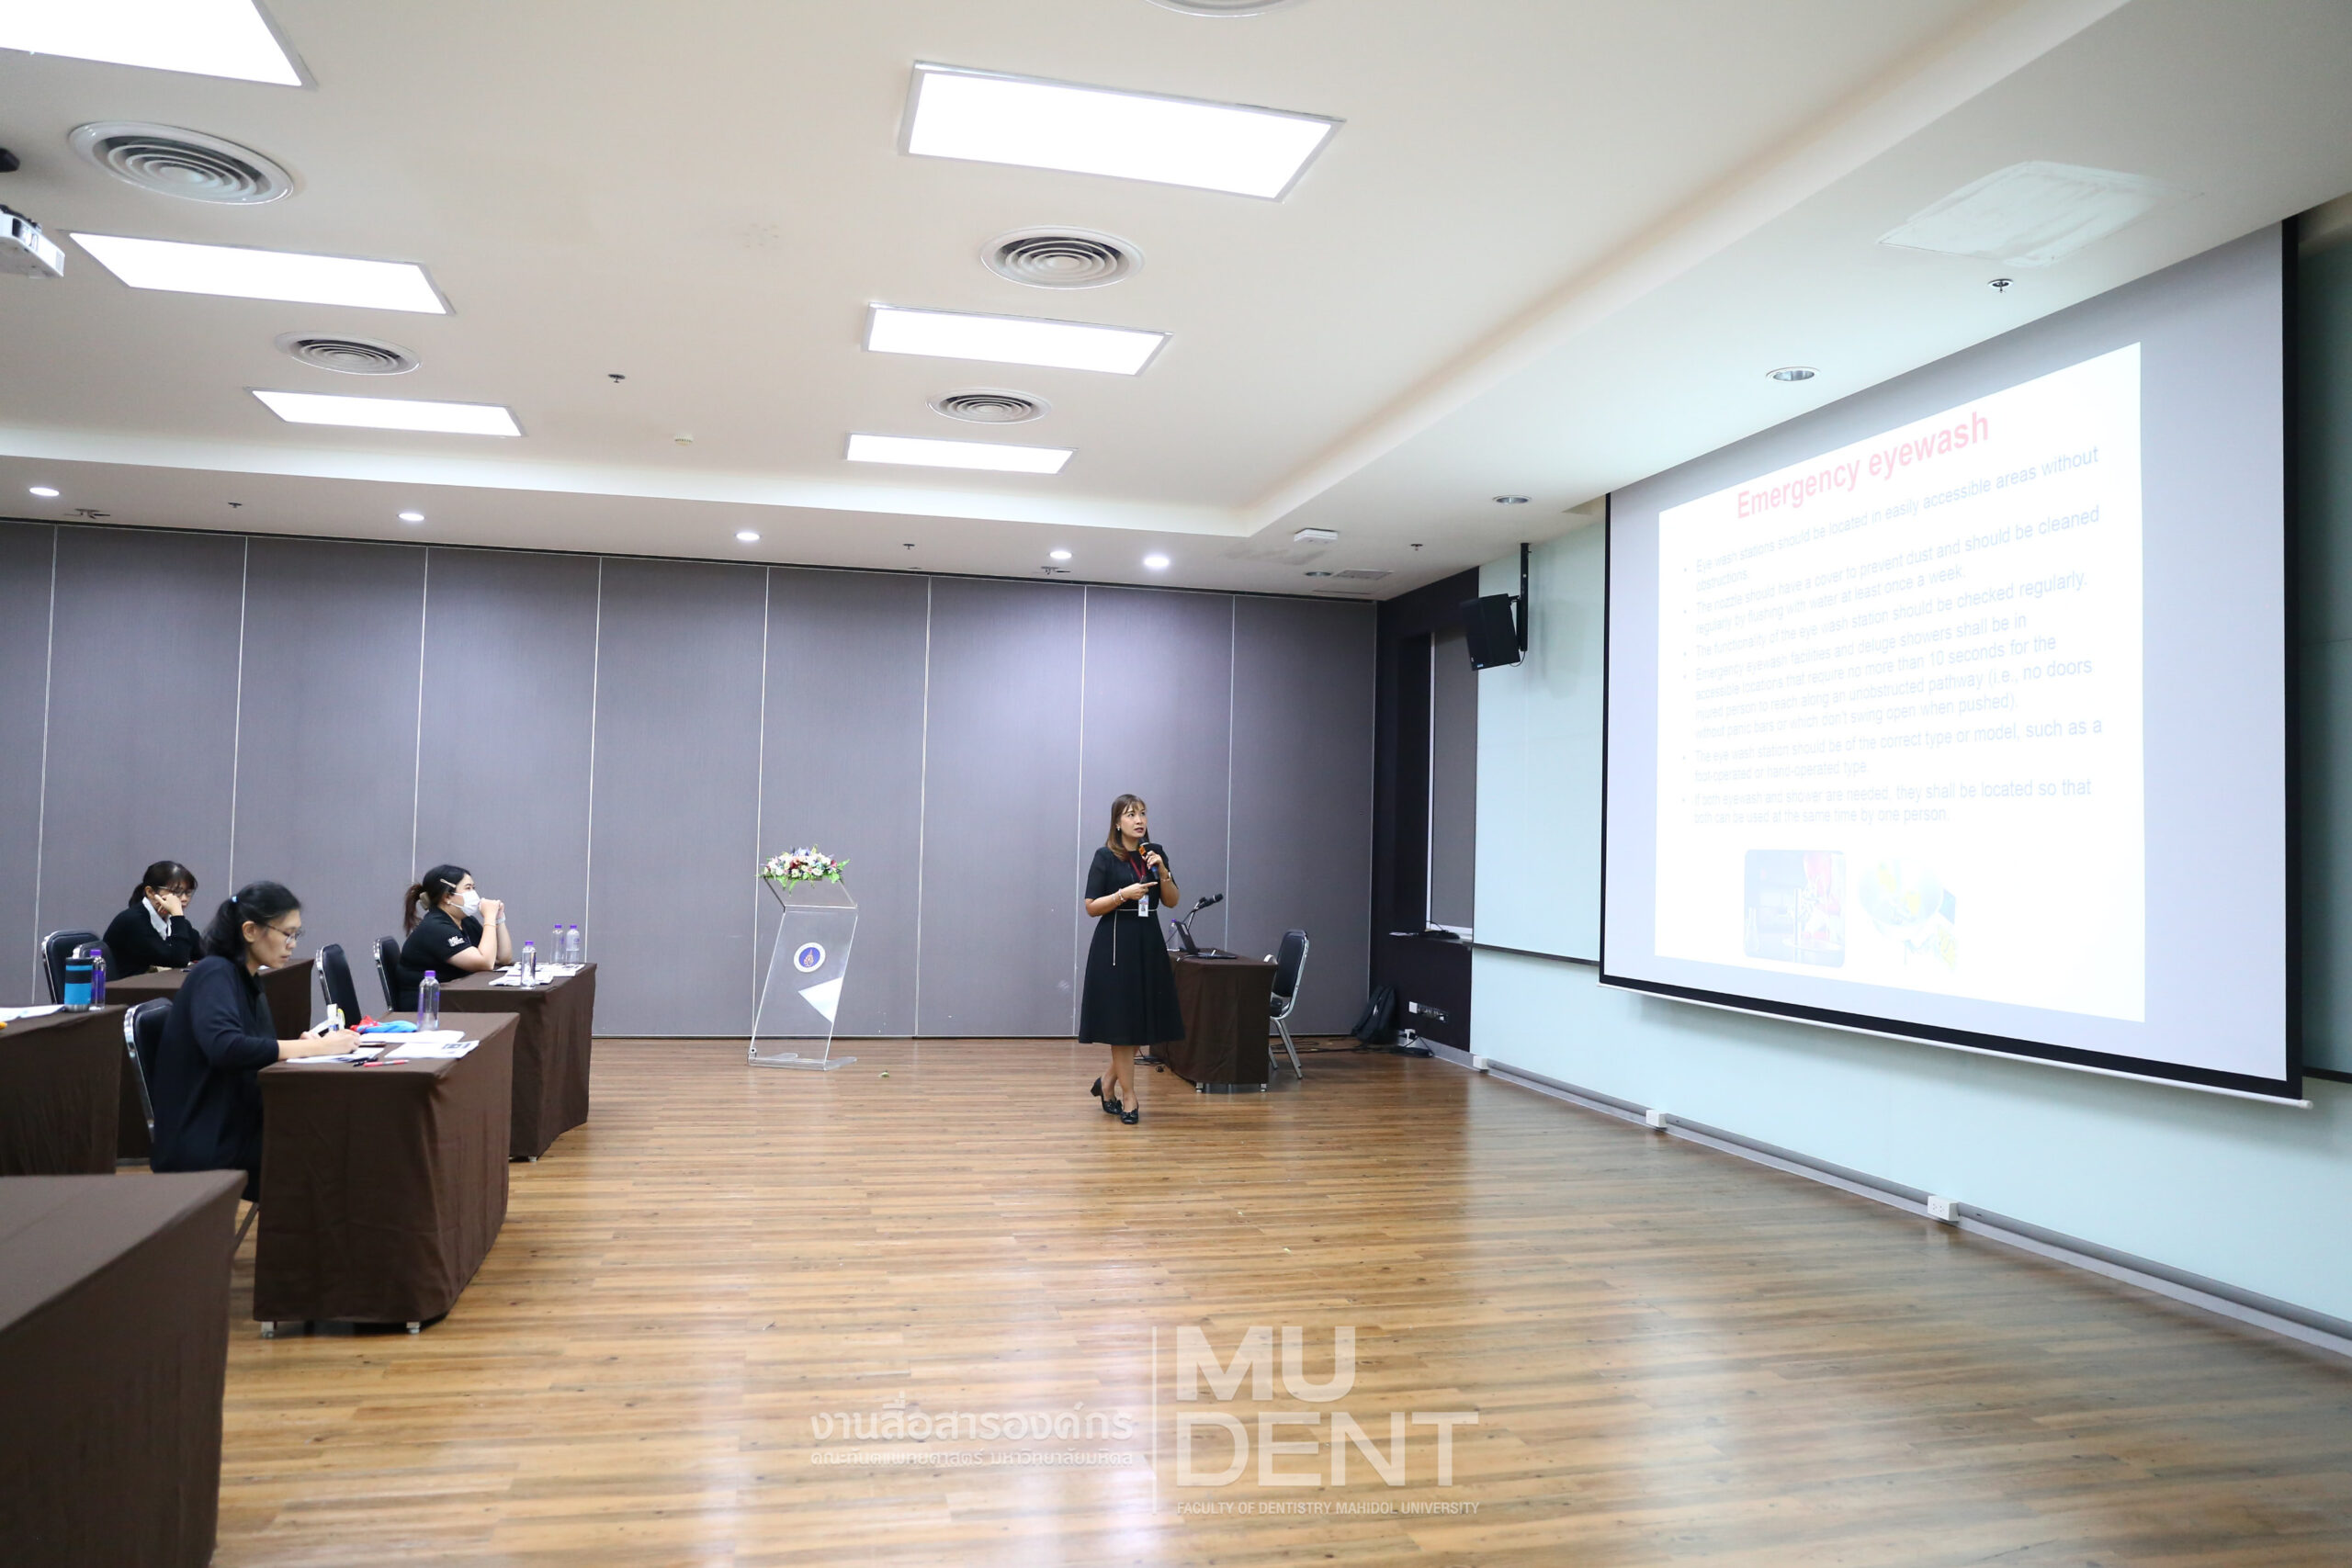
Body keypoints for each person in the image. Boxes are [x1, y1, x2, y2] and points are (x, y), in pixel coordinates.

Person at [148, 881, 356, 1201]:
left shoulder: (246, 977)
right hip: (209, 1137)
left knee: (338, 1139)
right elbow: (226, 1048)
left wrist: (302, 1046)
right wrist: (315, 1047)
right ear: (250, 931)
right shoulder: (215, 973)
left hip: (237, 1121)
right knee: (334, 1153)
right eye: (287, 934)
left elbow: (252, 1045)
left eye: (296, 935)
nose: (291, 944)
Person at [1079, 794, 1182, 1125]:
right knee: (1122, 1023)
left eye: (1142, 814)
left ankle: (1107, 1081)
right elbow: (1091, 906)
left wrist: (1163, 870)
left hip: (1148, 942)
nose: (1139, 820)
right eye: (1131, 814)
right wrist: (1123, 894)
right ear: (1117, 823)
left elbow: (1172, 901)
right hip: (1115, 945)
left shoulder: (1154, 852)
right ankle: (1130, 1096)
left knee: (1140, 1020)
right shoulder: (1105, 856)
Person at [394, 863, 510, 1010]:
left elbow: (502, 958)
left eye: (473, 888)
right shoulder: (435, 928)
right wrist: (489, 917)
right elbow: (485, 962)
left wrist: (499, 919)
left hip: (453, 997)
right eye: (468, 888)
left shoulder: (466, 921)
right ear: (447, 897)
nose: (474, 894)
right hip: (427, 1006)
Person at [101, 859, 205, 976]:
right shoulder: (133, 921)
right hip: (127, 986)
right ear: (150, 892)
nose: (184, 898)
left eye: (188, 892)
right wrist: (177, 915)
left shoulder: (175, 921)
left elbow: (204, 953)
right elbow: (178, 960)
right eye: (177, 892)